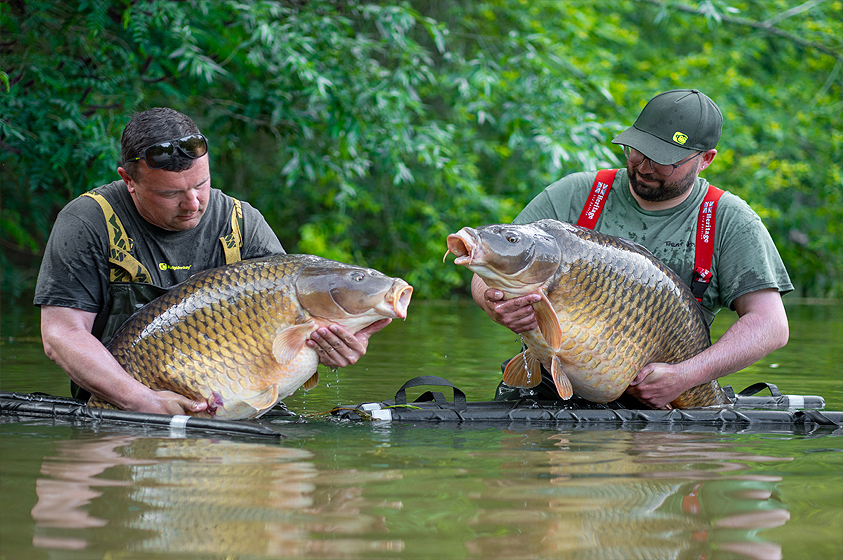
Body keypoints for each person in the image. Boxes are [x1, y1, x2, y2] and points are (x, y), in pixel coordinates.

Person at [34, 107, 388, 415]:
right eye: (170, 193)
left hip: (246, 406)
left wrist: (340, 346)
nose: (192, 203)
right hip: (123, 410)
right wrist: (142, 401)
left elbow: (294, 333)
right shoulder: (88, 222)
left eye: (201, 184)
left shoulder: (241, 223)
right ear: (129, 181)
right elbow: (61, 334)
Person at [471, 89, 792, 408]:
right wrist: (494, 304)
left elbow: (770, 325)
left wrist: (685, 375)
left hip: (666, 397)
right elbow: (487, 269)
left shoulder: (729, 220)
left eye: (665, 160)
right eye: (637, 151)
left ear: (705, 159)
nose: (645, 166)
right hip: (548, 388)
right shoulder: (576, 193)